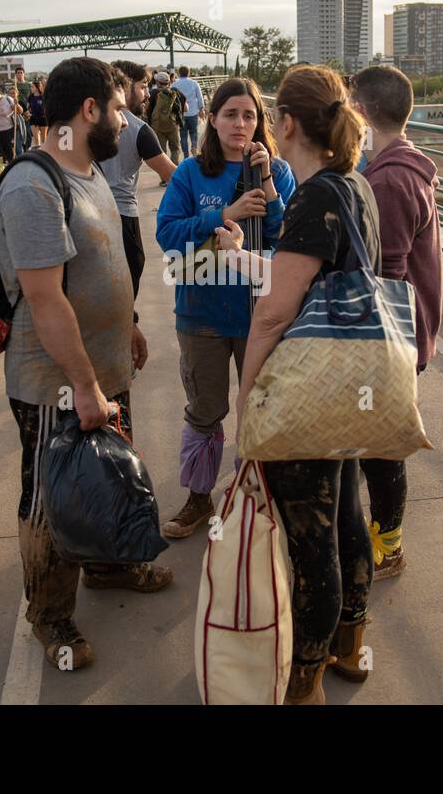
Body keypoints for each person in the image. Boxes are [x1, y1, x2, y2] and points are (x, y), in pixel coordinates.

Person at [0, 57, 171, 670]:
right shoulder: (33, 185)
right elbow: (45, 300)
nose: (127, 120)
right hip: (57, 383)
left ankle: (109, 565)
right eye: (120, 108)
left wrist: (129, 328)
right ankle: (50, 617)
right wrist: (86, 386)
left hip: (104, 365)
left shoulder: (88, 170)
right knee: (51, 497)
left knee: (105, 476)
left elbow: (101, 268)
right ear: (90, 110)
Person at [218, 64, 380, 704]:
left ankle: (303, 680)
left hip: (308, 388)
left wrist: (247, 394)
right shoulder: (353, 186)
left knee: (313, 545)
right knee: (346, 516)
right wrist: (248, 258)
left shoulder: (313, 195)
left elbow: (276, 310)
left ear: (285, 123)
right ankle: (349, 646)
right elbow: (311, 275)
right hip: (350, 380)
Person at [155, 78, 295, 539]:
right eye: (230, 114)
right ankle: (198, 498)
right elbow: (168, 235)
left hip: (263, 314)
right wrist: (225, 213)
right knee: (205, 407)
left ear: (262, 122)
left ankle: (252, 495)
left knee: (258, 408)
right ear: (211, 119)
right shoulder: (190, 174)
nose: (240, 124)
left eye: (250, 115)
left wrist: (270, 187)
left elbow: (291, 241)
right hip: (203, 315)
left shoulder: (277, 170)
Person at [350, 65, 443, 580]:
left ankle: (388, 546)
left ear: (361, 112)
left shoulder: (388, 181)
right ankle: (385, 536)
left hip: (393, 337)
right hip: (408, 331)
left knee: (381, 450)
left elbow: (385, 276)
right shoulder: (402, 166)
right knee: (377, 444)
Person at [101, 60, 176, 298]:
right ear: (126, 85)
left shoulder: (89, 121)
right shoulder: (137, 128)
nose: (146, 94)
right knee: (127, 284)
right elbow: (173, 175)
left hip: (87, 213)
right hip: (122, 218)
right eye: (143, 86)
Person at [148, 71, 185, 165]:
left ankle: (165, 176)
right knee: (175, 149)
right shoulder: (175, 92)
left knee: (161, 152)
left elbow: (148, 110)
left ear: (157, 82)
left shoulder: (153, 93)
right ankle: (174, 171)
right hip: (172, 125)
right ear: (169, 82)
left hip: (157, 126)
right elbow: (184, 102)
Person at [172, 66, 205, 160]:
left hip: (181, 113)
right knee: (194, 132)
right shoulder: (194, 83)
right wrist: (201, 108)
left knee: (183, 135)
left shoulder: (175, 84)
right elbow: (200, 97)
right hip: (193, 112)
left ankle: (186, 156)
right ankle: (194, 147)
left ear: (179, 73)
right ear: (189, 73)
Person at [27, 76, 48, 146]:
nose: (31, 88)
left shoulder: (44, 96)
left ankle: (43, 154)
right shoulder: (30, 97)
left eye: (32, 87)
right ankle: (37, 151)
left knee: (44, 139)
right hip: (33, 118)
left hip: (43, 118)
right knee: (36, 139)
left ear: (37, 87)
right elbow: (28, 108)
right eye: (31, 87)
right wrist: (28, 113)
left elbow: (48, 106)